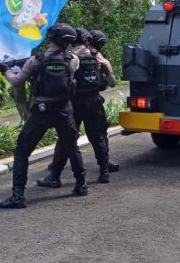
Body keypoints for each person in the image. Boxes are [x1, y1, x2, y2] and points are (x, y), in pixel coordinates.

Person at [0, 23, 87, 209]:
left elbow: (16, 81)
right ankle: (81, 185)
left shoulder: (35, 61)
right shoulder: (73, 60)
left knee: (22, 151)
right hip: (64, 110)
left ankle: (18, 196)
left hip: (41, 112)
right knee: (72, 148)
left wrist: (6, 70)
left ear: (51, 38)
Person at [38, 28, 119, 186]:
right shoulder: (99, 58)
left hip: (73, 104)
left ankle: (54, 175)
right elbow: (112, 83)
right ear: (88, 41)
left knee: (66, 139)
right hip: (94, 102)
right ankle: (104, 172)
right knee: (98, 137)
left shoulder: (70, 59)